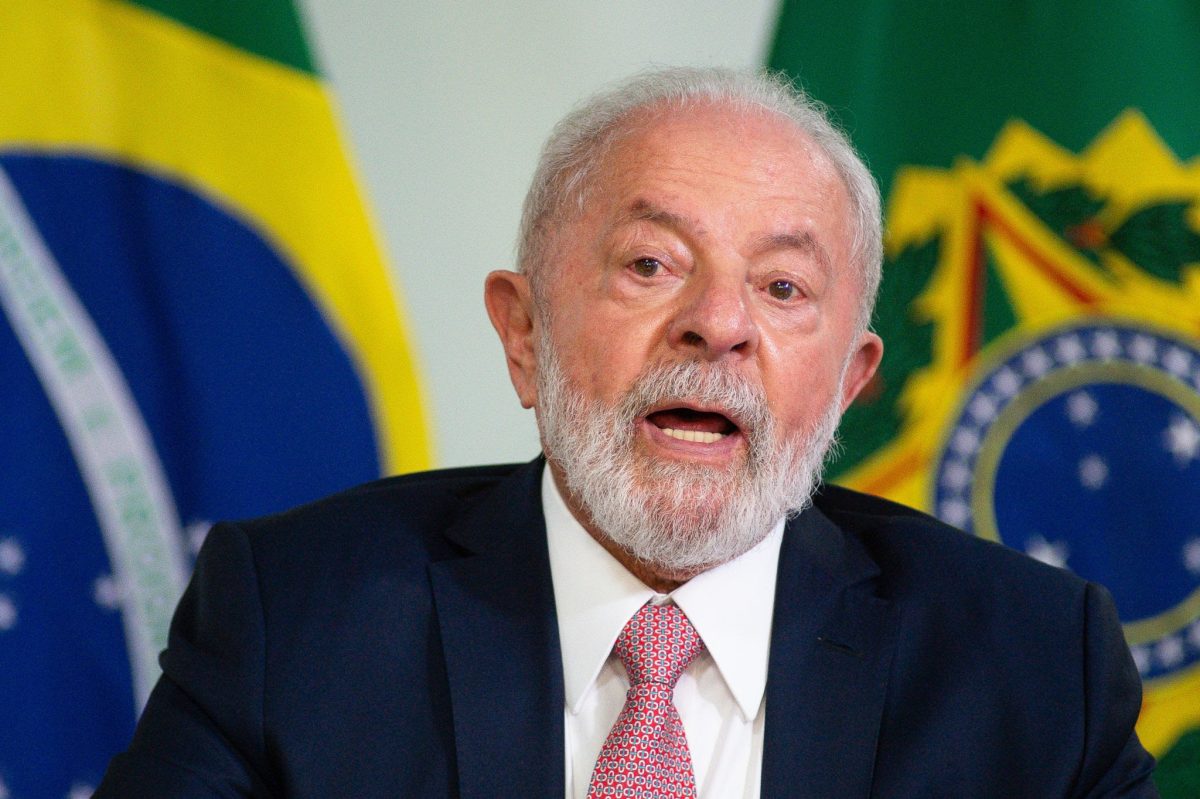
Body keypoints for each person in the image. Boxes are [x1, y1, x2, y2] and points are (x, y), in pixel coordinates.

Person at [96, 67, 1157, 798]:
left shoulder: (1031, 665)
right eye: (651, 264)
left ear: (847, 384)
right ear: (523, 332)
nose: (720, 323)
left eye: (784, 285)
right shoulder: (296, 615)